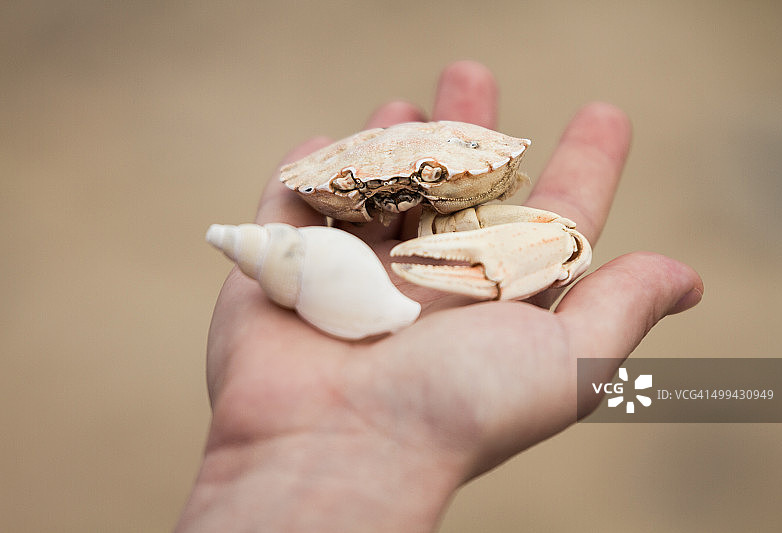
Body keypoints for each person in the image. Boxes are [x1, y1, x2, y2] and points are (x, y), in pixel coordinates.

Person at [175, 61, 703, 532]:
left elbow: (565, 244)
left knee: (561, 237)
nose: (400, 196)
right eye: (365, 189)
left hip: (467, 224)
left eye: (429, 178)